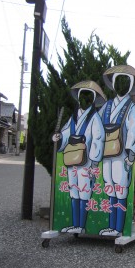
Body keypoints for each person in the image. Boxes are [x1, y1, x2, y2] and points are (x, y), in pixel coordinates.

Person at [52, 80, 106, 234]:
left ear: (93, 99)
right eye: (82, 96)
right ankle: (76, 224)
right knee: (73, 190)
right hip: (72, 160)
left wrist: (95, 162)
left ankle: (81, 225)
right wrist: (59, 137)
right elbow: (66, 132)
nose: (84, 99)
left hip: (86, 162)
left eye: (87, 96)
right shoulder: (75, 117)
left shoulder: (94, 118)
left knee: (84, 191)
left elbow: (98, 139)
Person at [98, 65, 135, 237]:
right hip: (106, 153)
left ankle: (119, 227)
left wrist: (131, 152)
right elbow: (96, 124)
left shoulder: (130, 107)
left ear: (130, 86)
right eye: (118, 81)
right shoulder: (108, 105)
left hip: (121, 155)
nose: (121, 85)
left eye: (125, 81)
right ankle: (112, 226)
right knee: (110, 187)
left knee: (121, 189)